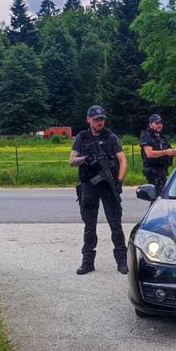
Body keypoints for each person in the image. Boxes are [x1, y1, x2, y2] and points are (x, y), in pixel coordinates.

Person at [69, 105, 128, 275]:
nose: (99, 122)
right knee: (89, 226)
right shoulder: (82, 138)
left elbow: (122, 160)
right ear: (88, 120)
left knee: (115, 224)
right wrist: (86, 159)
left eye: (101, 119)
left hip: (108, 186)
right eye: (96, 119)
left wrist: (119, 180)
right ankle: (87, 262)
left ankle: (122, 261)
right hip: (89, 184)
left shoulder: (110, 137)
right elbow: (72, 160)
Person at [140, 114, 176, 195]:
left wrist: (173, 153)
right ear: (150, 124)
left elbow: (168, 150)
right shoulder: (146, 135)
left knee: (164, 193)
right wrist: (166, 152)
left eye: (160, 123)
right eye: (157, 123)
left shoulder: (162, 137)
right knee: (158, 195)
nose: (159, 125)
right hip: (153, 171)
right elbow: (149, 154)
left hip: (163, 170)